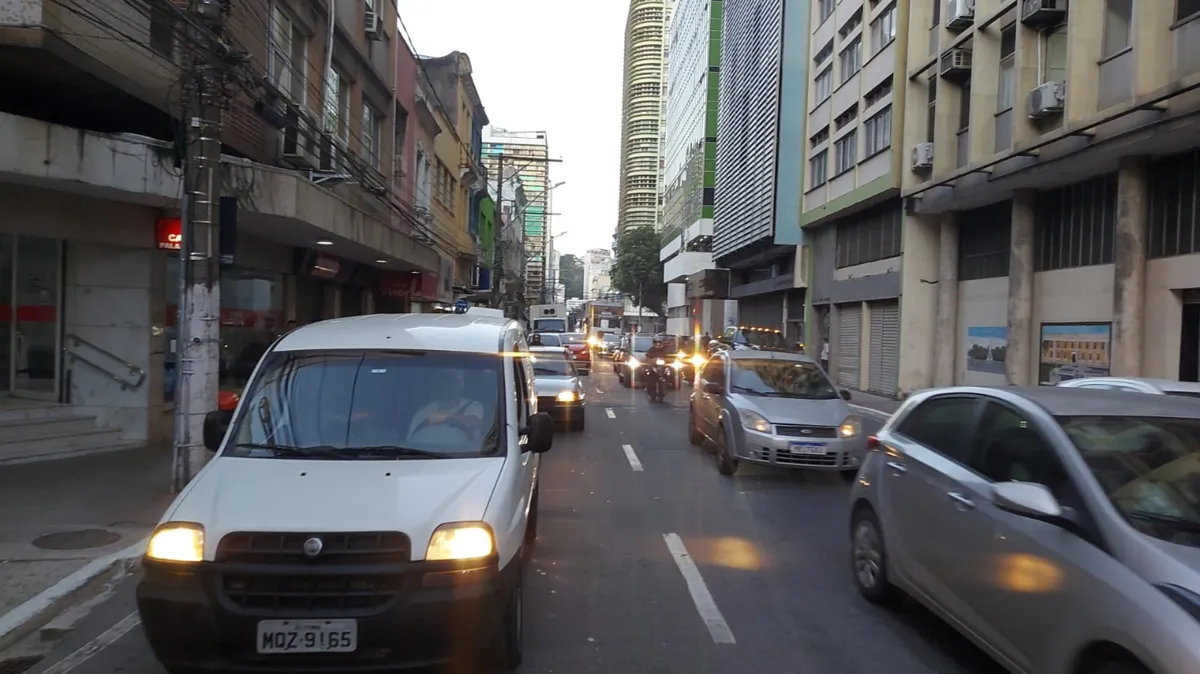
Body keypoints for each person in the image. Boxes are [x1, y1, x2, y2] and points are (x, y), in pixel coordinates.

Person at [408, 371, 484, 441]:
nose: (446, 385)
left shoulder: (472, 406)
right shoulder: (424, 411)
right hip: (424, 453)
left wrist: (445, 417)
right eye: (442, 380)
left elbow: (474, 421)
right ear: (436, 385)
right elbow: (410, 439)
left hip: (465, 454)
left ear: (460, 385)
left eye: (450, 380)